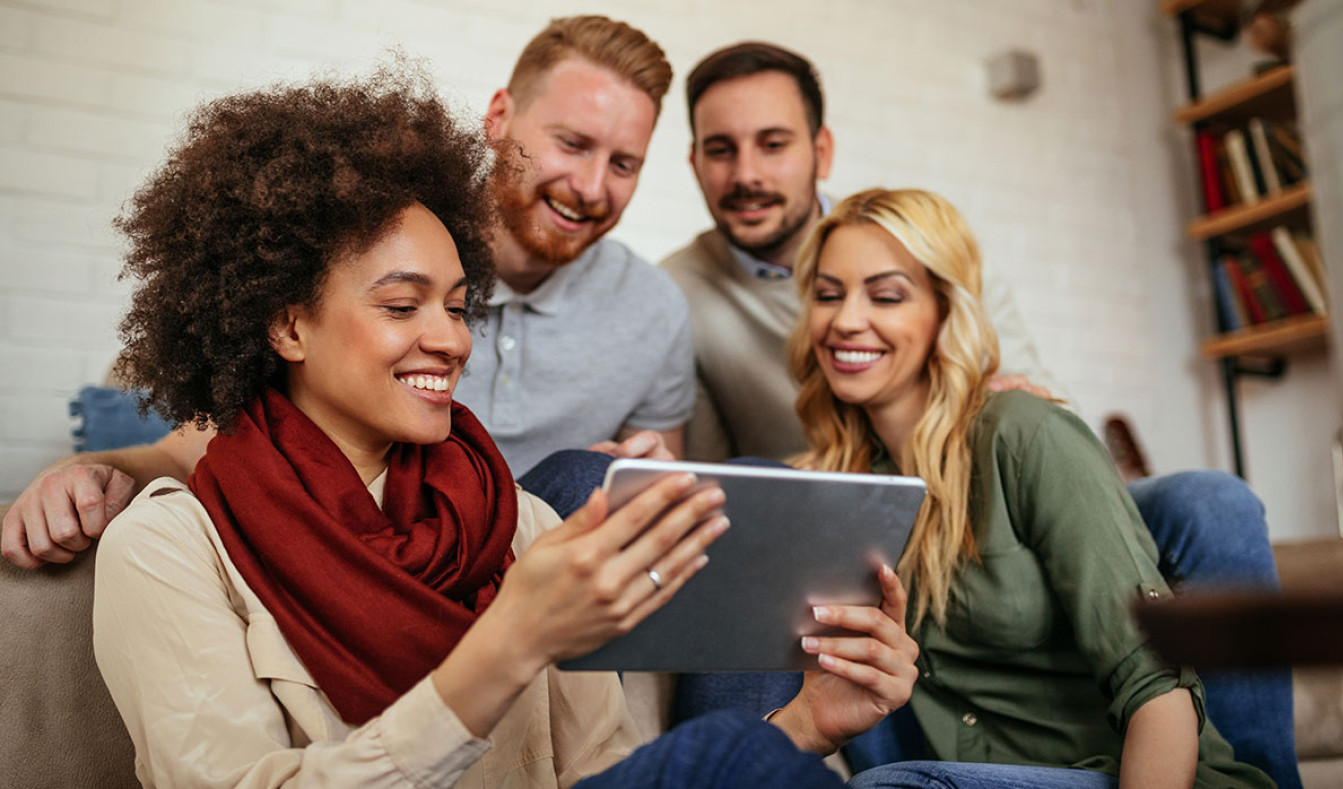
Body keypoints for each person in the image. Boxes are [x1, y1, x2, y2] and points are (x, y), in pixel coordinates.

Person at [90, 66, 917, 789]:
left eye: (457, 307)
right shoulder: (167, 549)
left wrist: (810, 723)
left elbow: (607, 774)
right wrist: (506, 644)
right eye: (402, 305)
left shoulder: (518, 521)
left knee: (769, 753)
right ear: (288, 326)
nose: (451, 339)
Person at [660, 42, 1301, 788]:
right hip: (852, 519)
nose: (747, 172)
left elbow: (1040, 410)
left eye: (887, 295)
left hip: (999, 478)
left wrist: (985, 421)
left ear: (818, 149)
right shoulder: (678, 296)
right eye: (828, 296)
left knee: (1208, 503)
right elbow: (713, 474)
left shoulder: (999, 400)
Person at [2, 15, 689, 570]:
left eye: (623, 163)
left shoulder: (655, 311)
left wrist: (646, 474)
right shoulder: (371, 254)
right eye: (572, 143)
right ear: (500, 116)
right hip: (375, 555)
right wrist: (89, 470)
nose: (594, 186)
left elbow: (662, 510)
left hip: (534, 557)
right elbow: (193, 448)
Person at [789, 187, 1271, 789]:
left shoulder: (1022, 434)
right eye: (827, 295)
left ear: (945, 311)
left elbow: (1155, 680)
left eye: (885, 295)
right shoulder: (834, 492)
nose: (845, 319)